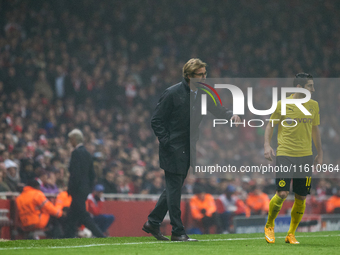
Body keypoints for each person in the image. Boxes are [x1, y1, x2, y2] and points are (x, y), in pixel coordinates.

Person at [142, 58, 241, 242]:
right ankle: (178, 232)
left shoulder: (203, 94)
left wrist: (230, 115)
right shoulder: (172, 93)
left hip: (188, 147)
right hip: (172, 148)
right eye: (200, 75)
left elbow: (217, 109)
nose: (204, 78)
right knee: (175, 189)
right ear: (188, 75)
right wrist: (167, 142)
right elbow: (156, 120)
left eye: (205, 74)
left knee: (173, 188)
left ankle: (153, 222)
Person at [264, 73, 323, 244]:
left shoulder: (313, 105)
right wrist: (267, 146)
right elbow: (270, 125)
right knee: (282, 193)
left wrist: (320, 153)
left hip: (305, 155)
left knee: (301, 197)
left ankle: (291, 234)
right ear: (299, 88)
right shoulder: (283, 104)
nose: (313, 89)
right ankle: (269, 225)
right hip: (285, 153)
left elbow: (315, 129)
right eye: (310, 86)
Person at [63, 129, 104, 238]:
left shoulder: (76, 153)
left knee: (83, 216)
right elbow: (92, 174)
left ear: (74, 139)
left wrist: (71, 188)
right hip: (83, 190)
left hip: (77, 190)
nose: (70, 142)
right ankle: (67, 237)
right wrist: (88, 188)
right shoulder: (87, 153)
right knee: (72, 216)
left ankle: (101, 236)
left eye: (70, 139)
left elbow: (74, 174)